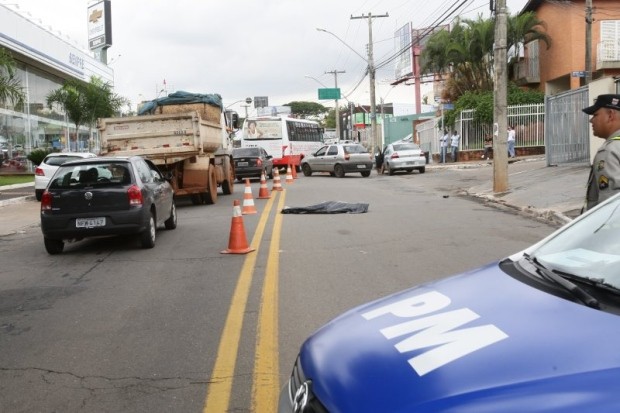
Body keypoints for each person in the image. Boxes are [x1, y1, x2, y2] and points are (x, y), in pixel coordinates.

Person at [582, 94, 620, 212]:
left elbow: (610, 203)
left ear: (610, 115)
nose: (591, 120)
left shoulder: (609, 151)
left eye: (595, 115)